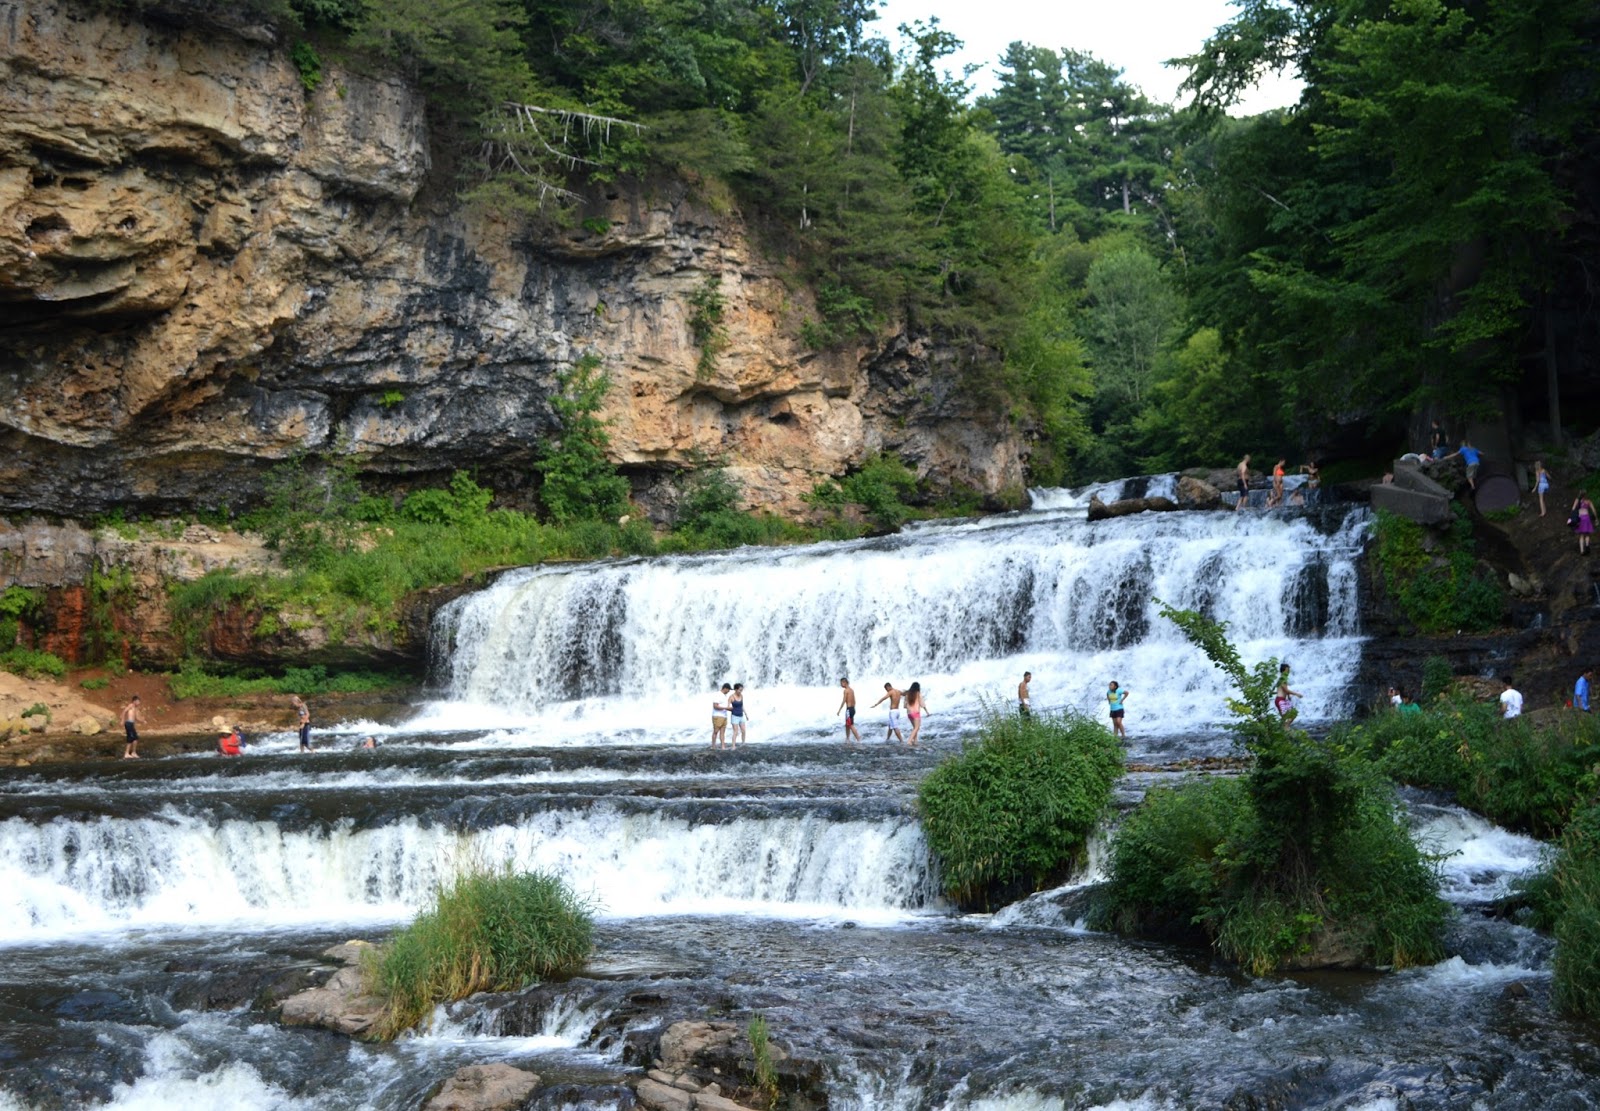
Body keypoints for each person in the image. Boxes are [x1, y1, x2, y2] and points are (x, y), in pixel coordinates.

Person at [837, 678, 861, 745]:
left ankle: (858, 738)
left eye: (841, 683)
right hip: (853, 709)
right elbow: (854, 701)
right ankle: (847, 739)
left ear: (845, 682)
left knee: (850, 725)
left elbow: (844, 701)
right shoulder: (851, 690)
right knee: (847, 725)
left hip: (849, 709)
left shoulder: (846, 691)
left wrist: (839, 710)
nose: (841, 685)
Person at [904, 681, 928, 746]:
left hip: (909, 713)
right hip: (916, 713)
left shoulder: (907, 694)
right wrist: (927, 712)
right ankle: (909, 741)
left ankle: (915, 741)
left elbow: (905, 706)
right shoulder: (918, 694)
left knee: (914, 727)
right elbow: (922, 703)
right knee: (917, 727)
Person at [121, 695, 142, 759]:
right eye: (138, 701)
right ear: (134, 701)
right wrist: (122, 720)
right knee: (133, 738)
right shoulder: (131, 705)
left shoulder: (135, 708)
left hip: (131, 724)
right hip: (128, 723)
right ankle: (129, 753)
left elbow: (136, 718)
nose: (139, 703)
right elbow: (124, 711)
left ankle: (131, 753)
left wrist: (143, 721)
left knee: (133, 738)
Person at [711, 684, 731, 748]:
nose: (729, 691)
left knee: (722, 732)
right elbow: (715, 706)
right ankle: (713, 746)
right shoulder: (717, 694)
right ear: (725, 688)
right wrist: (726, 708)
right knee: (716, 731)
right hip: (717, 716)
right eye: (728, 690)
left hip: (724, 716)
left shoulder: (724, 696)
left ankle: (723, 746)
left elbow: (724, 706)